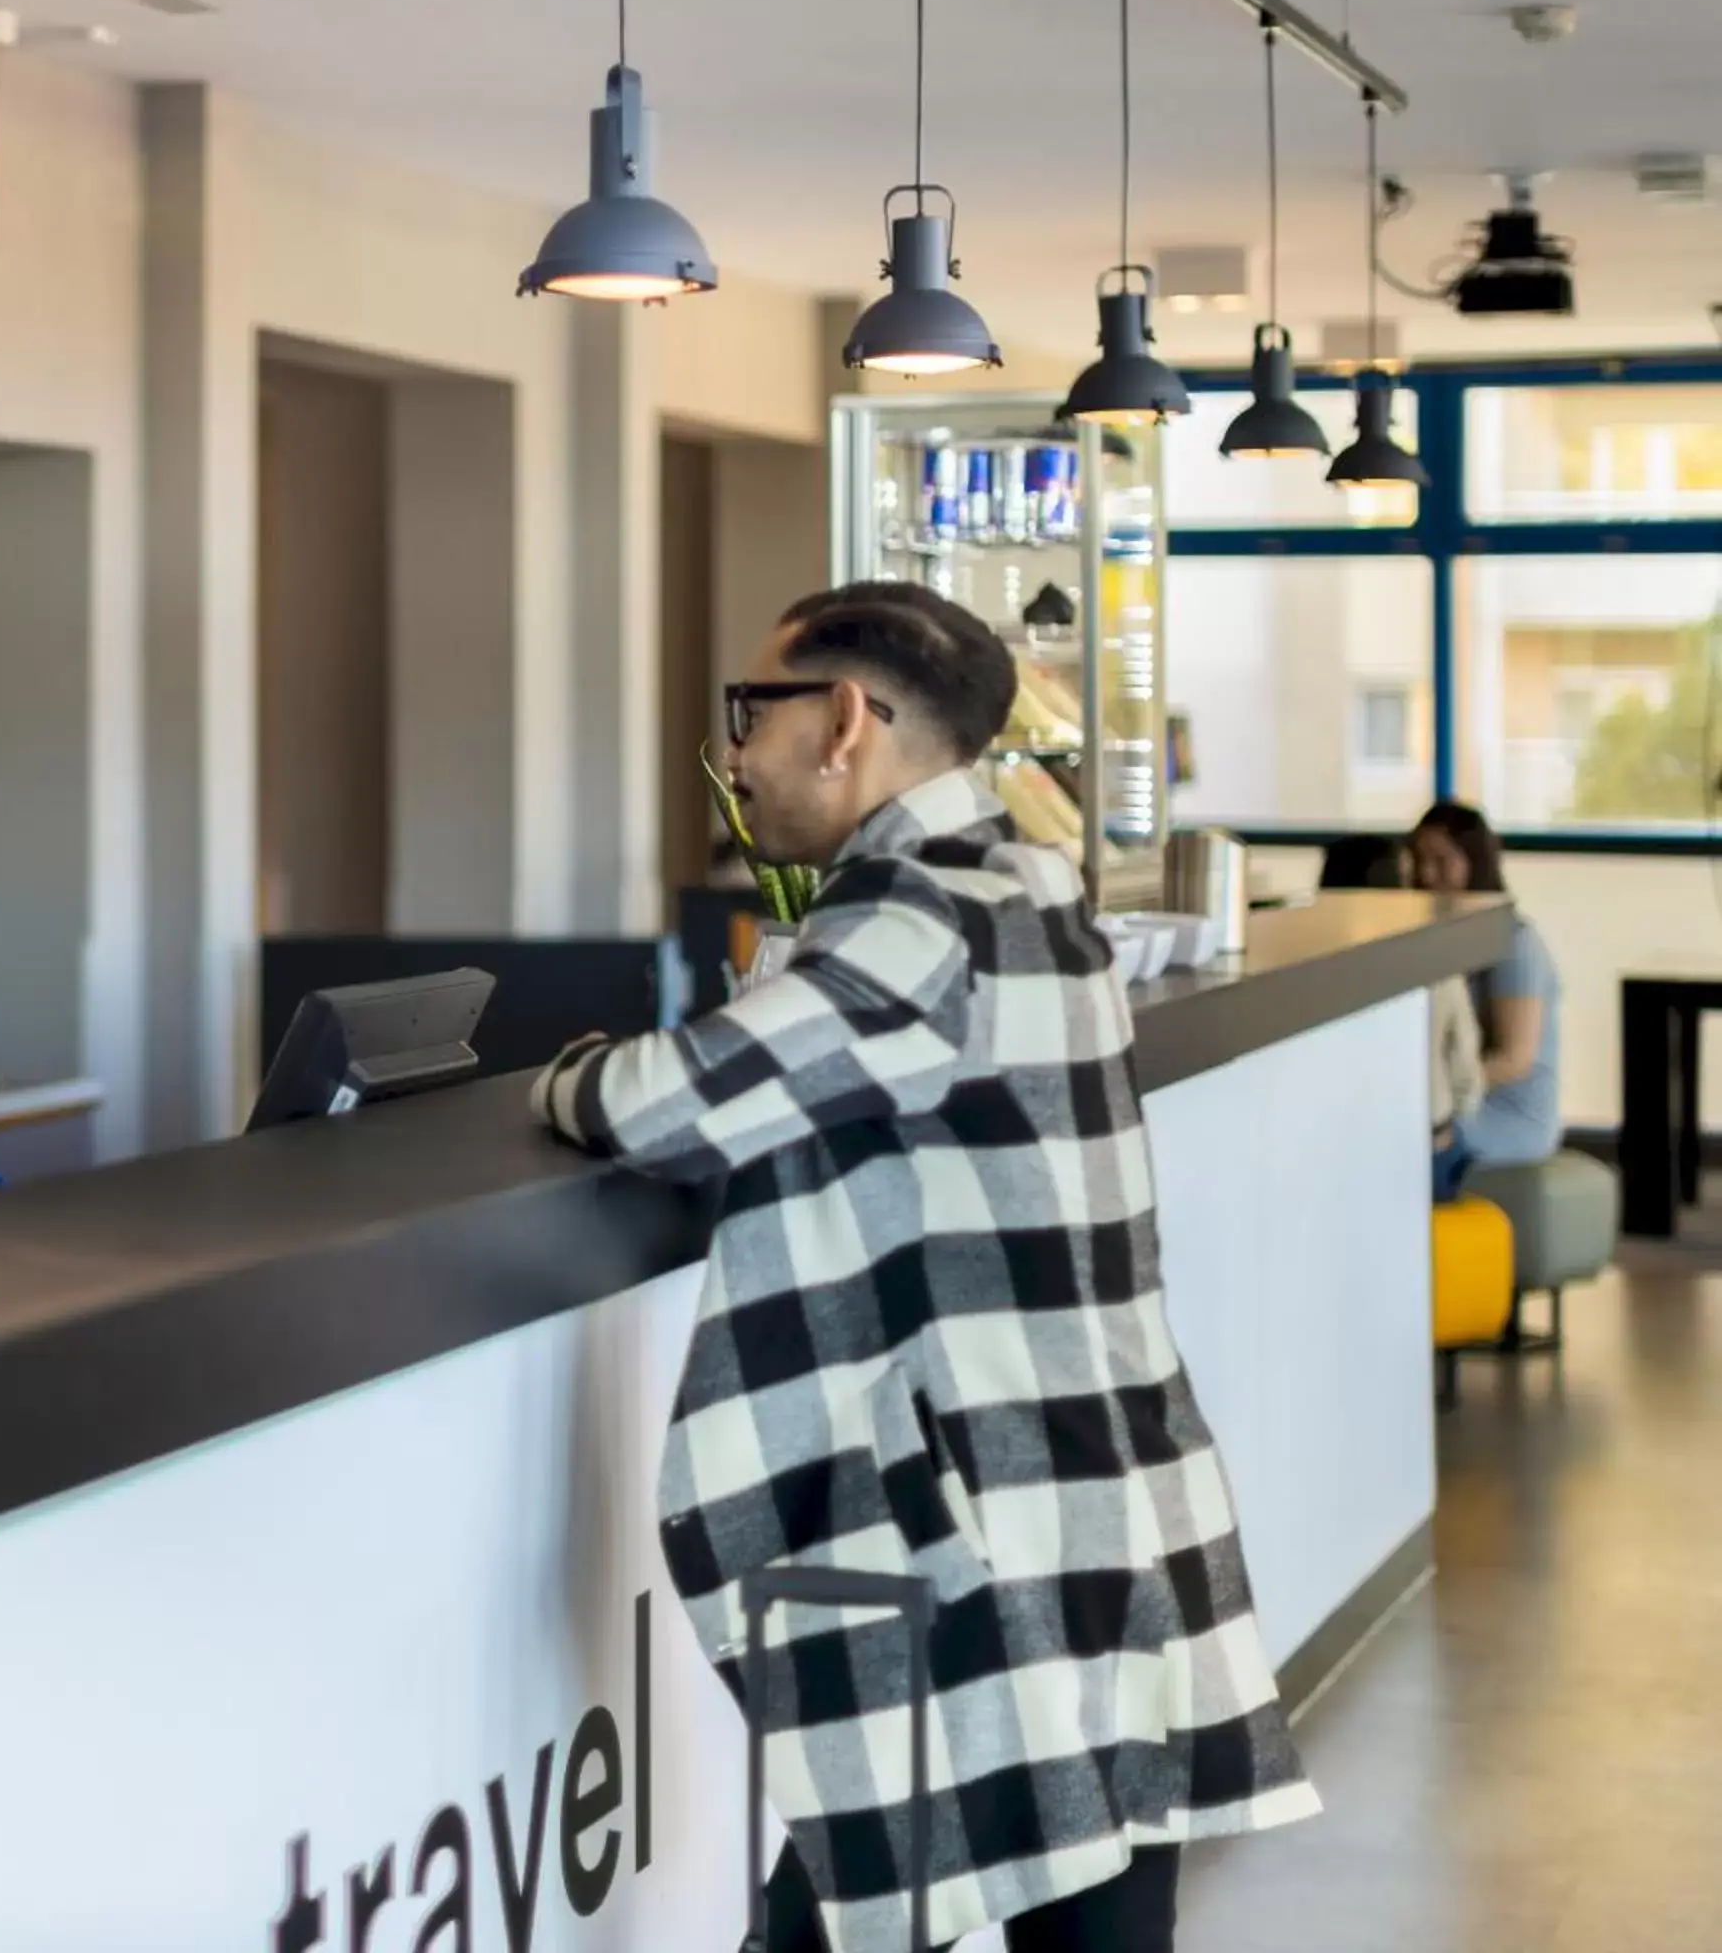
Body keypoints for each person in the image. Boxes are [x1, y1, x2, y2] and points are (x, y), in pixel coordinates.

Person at [531, 582, 1317, 1953]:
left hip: (992, 1531)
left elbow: (659, 1104)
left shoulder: (923, 919)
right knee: (978, 1905)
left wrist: (560, 1080)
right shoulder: (1027, 882)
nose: (733, 756)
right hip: (1075, 1501)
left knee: (885, 1909)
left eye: (750, 715)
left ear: (843, 720)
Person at [1320, 835, 1487, 1200]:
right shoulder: (1434, 957)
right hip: (1427, 1149)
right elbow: (1466, 1073)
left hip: (1338, 1152)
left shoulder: (1313, 967)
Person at [1407, 800, 1561, 1174]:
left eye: (1442, 862)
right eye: (1418, 861)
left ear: (1475, 863)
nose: (1427, 875)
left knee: (1406, 1136)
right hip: (1458, 1099)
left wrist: (1436, 1097)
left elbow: (1514, 1059)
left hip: (1507, 1115)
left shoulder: (1516, 943)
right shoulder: (1437, 939)